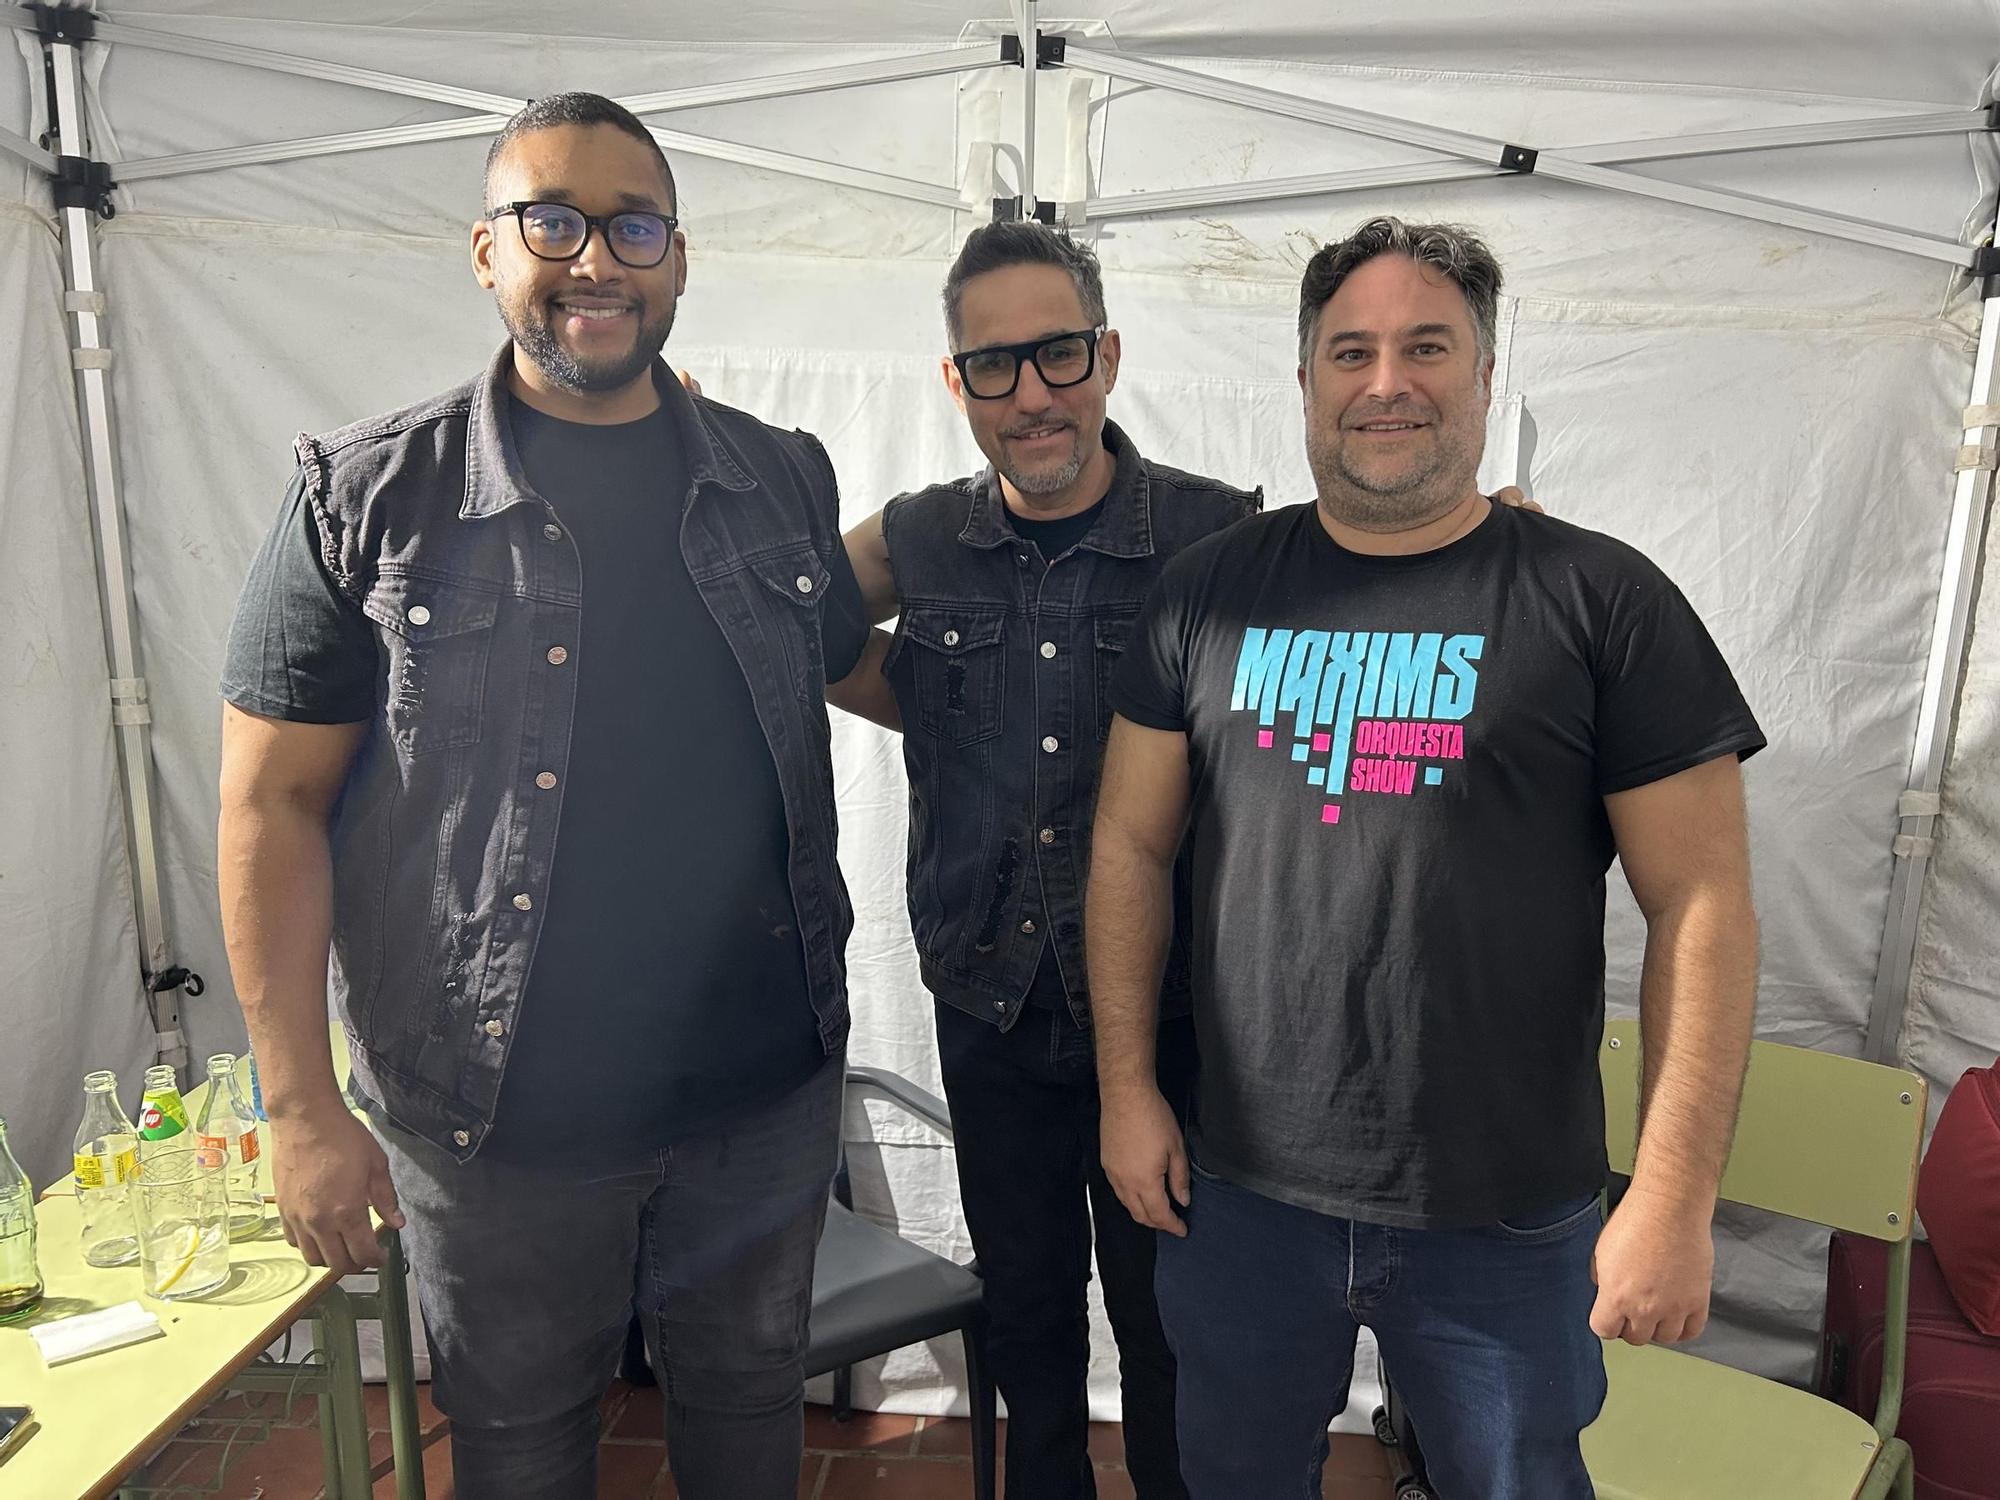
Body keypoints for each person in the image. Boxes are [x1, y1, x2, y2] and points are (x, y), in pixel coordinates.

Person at [216, 92, 875, 1499]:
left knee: (751, 1419)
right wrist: (298, 1111)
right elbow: (269, 810)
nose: (597, 262)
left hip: (760, 1093)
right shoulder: (367, 498)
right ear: (485, 251)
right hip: (494, 1117)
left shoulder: (780, 479)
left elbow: (840, 667)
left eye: (634, 225)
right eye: (553, 221)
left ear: (680, 258)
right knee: (519, 1457)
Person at [1088, 216, 1764, 1499]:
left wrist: (1672, 1197)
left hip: (1505, 1213)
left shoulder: (1599, 599)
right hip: (1240, 1195)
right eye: (1349, 351)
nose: (1384, 382)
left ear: (1486, 373)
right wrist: (1128, 1090)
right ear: (1303, 382)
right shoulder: (1204, 593)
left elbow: (1701, 902)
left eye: (1424, 347)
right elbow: (1128, 844)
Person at [833, 221, 1258, 1498]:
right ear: (954, 382)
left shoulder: (1215, 531)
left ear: (1107, 354)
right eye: (995, 365)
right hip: (991, 1001)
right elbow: (786, 614)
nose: (1032, 394)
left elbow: (1370, 602)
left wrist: (1486, 535)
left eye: (1058, 354)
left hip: (1170, 1014)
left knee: (1170, 1323)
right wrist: (927, 699)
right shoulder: (919, 535)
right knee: (1025, 1312)